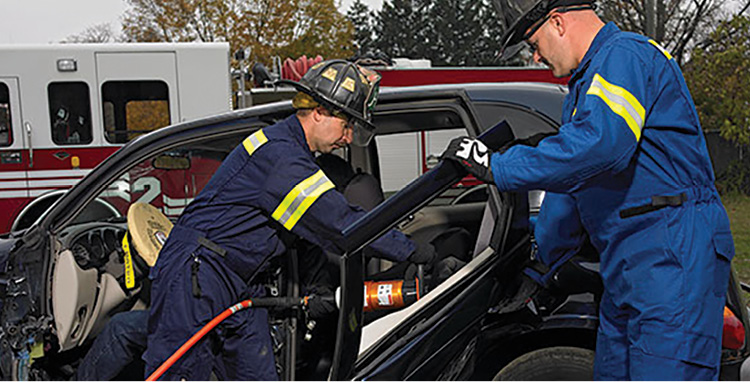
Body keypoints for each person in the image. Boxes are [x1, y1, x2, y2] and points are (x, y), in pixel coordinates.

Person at [442, 1, 735, 379]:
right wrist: (540, 269)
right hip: (629, 261)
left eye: (533, 43)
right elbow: (570, 187)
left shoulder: (625, 56)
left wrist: (498, 166)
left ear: (558, 22)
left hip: (672, 253)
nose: (535, 57)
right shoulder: (587, 86)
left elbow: (601, 148)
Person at [143, 60, 435, 380]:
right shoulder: (283, 158)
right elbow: (342, 224)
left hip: (239, 279)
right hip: (198, 275)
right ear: (320, 112)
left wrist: (319, 291)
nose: (349, 138)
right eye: (347, 125)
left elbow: (305, 236)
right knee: (179, 374)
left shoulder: (290, 151)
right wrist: (412, 251)